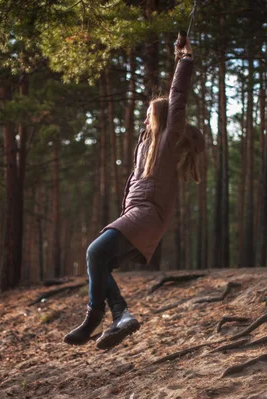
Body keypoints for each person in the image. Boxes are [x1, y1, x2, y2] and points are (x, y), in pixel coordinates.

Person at [64, 38, 204, 350]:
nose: (143, 121)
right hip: (137, 216)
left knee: (93, 253)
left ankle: (95, 317)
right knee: (101, 264)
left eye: (147, 116)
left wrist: (184, 59)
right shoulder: (148, 147)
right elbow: (148, 130)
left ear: (159, 119)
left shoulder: (168, 142)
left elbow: (177, 99)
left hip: (145, 216)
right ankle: (121, 316)